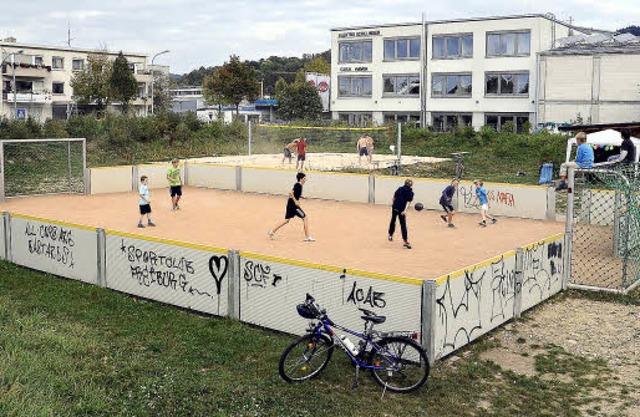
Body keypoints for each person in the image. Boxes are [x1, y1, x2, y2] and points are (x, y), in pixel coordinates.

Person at [268, 172, 315, 242]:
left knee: (287, 220)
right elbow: (290, 193)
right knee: (305, 218)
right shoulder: (298, 185)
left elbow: (295, 194)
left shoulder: (299, 186)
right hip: (293, 206)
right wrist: (296, 201)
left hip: (290, 204)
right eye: (304, 178)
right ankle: (307, 237)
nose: (305, 180)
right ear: (301, 179)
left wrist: (302, 197)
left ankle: (272, 231)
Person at [388, 179, 414, 249]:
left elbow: (394, 197)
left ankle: (390, 235)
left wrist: (393, 205)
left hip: (395, 208)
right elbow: (408, 202)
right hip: (401, 210)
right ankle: (405, 241)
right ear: (411, 185)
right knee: (403, 225)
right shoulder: (410, 192)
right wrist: (405, 210)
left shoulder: (400, 189)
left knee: (393, 220)